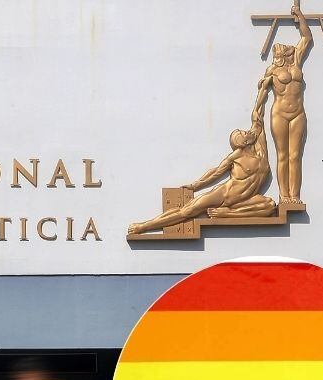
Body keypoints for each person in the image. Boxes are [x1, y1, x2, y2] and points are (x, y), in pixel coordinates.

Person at [127, 84, 275, 235]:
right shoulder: (236, 156)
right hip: (224, 194)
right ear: (244, 143)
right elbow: (216, 172)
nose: (247, 131)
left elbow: (258, 116)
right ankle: (143, 227)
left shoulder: (261, 152)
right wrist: (195, 186)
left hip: (242, 202)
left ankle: (226, 213)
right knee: (187, 211)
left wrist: (263, 88)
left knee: (269, 205)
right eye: (243, 133)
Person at [260, 0, 312, 206]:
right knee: (282, 155)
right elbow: (262, 92)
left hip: (298, 113)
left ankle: (295, 195)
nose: (286, 52)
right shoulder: (272, 70)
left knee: (295, 156)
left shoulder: (297, 61)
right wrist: (256, 113)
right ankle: (284, 196)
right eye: (283, 52)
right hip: (279, 114)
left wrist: (299, 15)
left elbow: (307, 37)